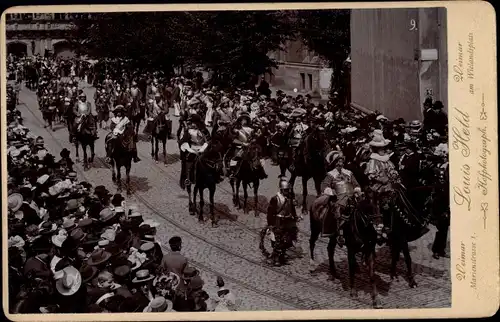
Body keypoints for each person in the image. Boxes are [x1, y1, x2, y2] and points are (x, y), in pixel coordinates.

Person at [321, 151, 362, 247]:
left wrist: (357, 190)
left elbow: (356, 184)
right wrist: (330, 191)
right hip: (338, 197)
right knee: (338, 210)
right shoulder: (330, 174)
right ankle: (340, 233)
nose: (340, 164)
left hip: (351, 196)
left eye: (341, 162)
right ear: (334, 163)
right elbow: (324, 186)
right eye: (338, 162)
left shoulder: (349, 173)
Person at [266, 178, 299, 266]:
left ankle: (282, 256)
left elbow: (292, 209)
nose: (287, 192)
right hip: (278, 221)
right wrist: (270, 224)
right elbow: (270, 213)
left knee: (287, 240)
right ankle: (276, 257)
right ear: (281, 190)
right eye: (285, 190)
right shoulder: (275, 199)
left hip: (288, 221)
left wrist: (295, 217)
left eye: (288, 190)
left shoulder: (290, 198)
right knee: (277, 240)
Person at [229, 112, 267, 180]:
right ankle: (233, 173)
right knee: (234, 159)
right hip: (241, 147)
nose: (244, 121)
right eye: (242, 119)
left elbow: (256, 136)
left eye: (245, 119)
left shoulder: (251, 129)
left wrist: (254, 139)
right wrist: (242, 143)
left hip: (251, 146)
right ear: (240, 121)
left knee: (259, 156)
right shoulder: (236, 130)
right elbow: (234, 140)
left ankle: (261, 172)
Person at [179, 114, 212, 189]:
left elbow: (208, 140)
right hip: (192, 149)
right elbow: (184, 140)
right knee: (188, 162)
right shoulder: (188, 130)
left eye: (193, 122)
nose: (192, 124)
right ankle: (186, 178)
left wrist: (203, 148)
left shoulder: (204, 130)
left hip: (203, 149)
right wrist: (189, 149)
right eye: (191, 123)